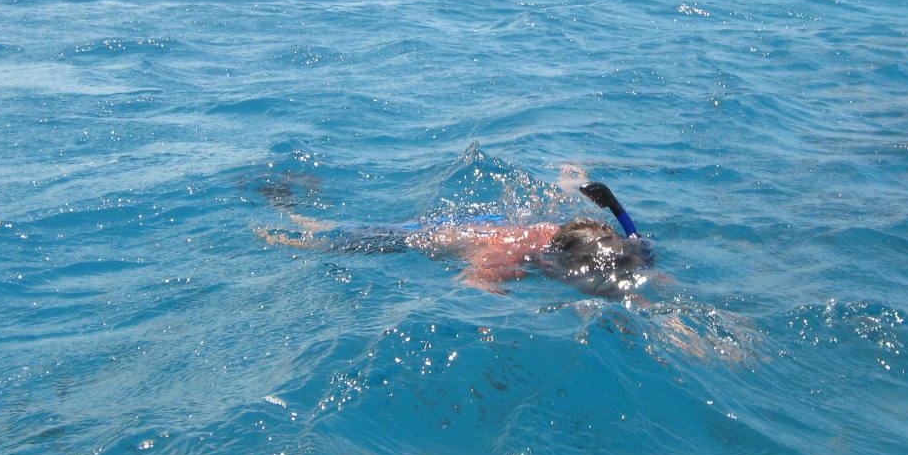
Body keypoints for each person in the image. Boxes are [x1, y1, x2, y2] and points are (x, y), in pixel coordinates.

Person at [254, 168, 655, 302]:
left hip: (497, 220)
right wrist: (495, 297)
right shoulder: (510, 253)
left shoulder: (593, 241)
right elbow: (476, 280)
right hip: (420, 236)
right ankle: (283, 205)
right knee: (315, 238)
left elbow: (633, 248)